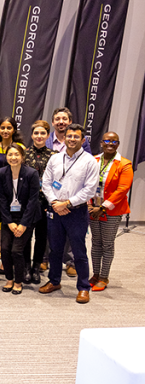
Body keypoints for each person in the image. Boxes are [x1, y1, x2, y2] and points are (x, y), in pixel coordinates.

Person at [39, 124, 98, 304]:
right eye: (69, 136)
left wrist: (68, 203)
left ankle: (83, 287)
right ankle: (55, 281)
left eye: (76, 137)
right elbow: (46, 183)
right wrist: (55, 203)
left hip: (76, 212)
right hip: (55, 210)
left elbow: (90, 190)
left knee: (78, 252)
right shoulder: (55, 159)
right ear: (64, 139)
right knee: (55, 249)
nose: (72, 139)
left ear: (83, 140)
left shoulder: (89, 161)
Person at [88, 132, 132, 292]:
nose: (110, 143)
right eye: (107, 140)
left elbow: (122, 189)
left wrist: (103, 207)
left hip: (111, 211)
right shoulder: (94, 161)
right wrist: (89, 205)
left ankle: (104, 277)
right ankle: (96, 274)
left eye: (114, 141)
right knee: (95, 243)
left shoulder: (124, 164)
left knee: (107, 244)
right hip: (93, 209)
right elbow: (86, 183)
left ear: (118, 144)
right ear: (101, 142)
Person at [0, 144, 40, 295]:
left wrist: (23, 224)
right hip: (9, 218)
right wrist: (10, 222)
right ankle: (9, 279)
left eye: (16, 155)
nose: (13, 158)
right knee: (5, 249)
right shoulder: (1, 173)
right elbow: (1, 200)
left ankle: (18, 281)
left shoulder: (31, 173)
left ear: (22, 157)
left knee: (16, 251)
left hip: (27, 217)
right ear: (6, 157)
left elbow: (33, 201)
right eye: (10, 155)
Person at [0, 117, 25, 275]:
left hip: (13, 192)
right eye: (2, 127)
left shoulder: (21, 147)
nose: (5, 130)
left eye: (8, 127)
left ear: (14, 130)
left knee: (8, 226)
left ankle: (6, 259)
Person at [23, 120, 57, 283]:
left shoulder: (54, 155)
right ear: (31, 135)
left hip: (45, 203)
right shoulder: (24, 154)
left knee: (41, 237)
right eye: (36, 133)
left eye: (42, 133)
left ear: (47, 135)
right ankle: (26, 267)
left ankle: (36, 267)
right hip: (27, 203)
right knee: (26, 236)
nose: (39, 136)